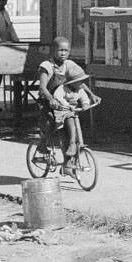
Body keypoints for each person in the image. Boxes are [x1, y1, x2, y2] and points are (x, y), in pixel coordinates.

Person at [37, 37, 99, 168]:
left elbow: (79, 81)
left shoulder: (69, 64)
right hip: (48, 101)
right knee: (49, 124)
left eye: (66, 50)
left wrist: (91, 94)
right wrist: (51, 99)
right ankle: (42, 144)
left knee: (66, 128)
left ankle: (67, 163)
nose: (63, 53)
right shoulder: (46, 66)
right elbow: (42, 87)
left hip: (64, 103)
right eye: (60, 50)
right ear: (53, 50)